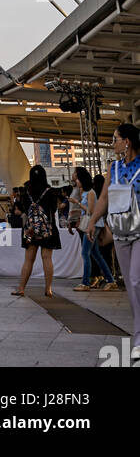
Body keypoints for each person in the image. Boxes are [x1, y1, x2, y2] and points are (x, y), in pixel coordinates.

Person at [89, 122, 140, 359]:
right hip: (120, 231)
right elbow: (104, 198)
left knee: (135, 279)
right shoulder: (114, 168)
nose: (113, 143)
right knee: (130, 286)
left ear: (127, 141)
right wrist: (93, 221)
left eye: (115, 139)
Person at [11, 165, 61, 299]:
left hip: (31, 230)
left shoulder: (26, 192)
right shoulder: (50, 191)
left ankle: (21, 288)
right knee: (47, 259)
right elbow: (54, 209)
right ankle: (48, 289)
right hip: (47, 230)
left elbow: (24, 209)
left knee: (28, 260)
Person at [70, 165, 117, 294]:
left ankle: (86, 282)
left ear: (83, 180)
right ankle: (110, 280)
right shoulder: (84, 192)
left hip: (93, 225)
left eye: (78, 179)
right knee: (95, 254)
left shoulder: (90, 193)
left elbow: (91, 211)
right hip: (92, 224)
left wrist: (77, 203)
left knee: (86, 253)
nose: (76, 181)